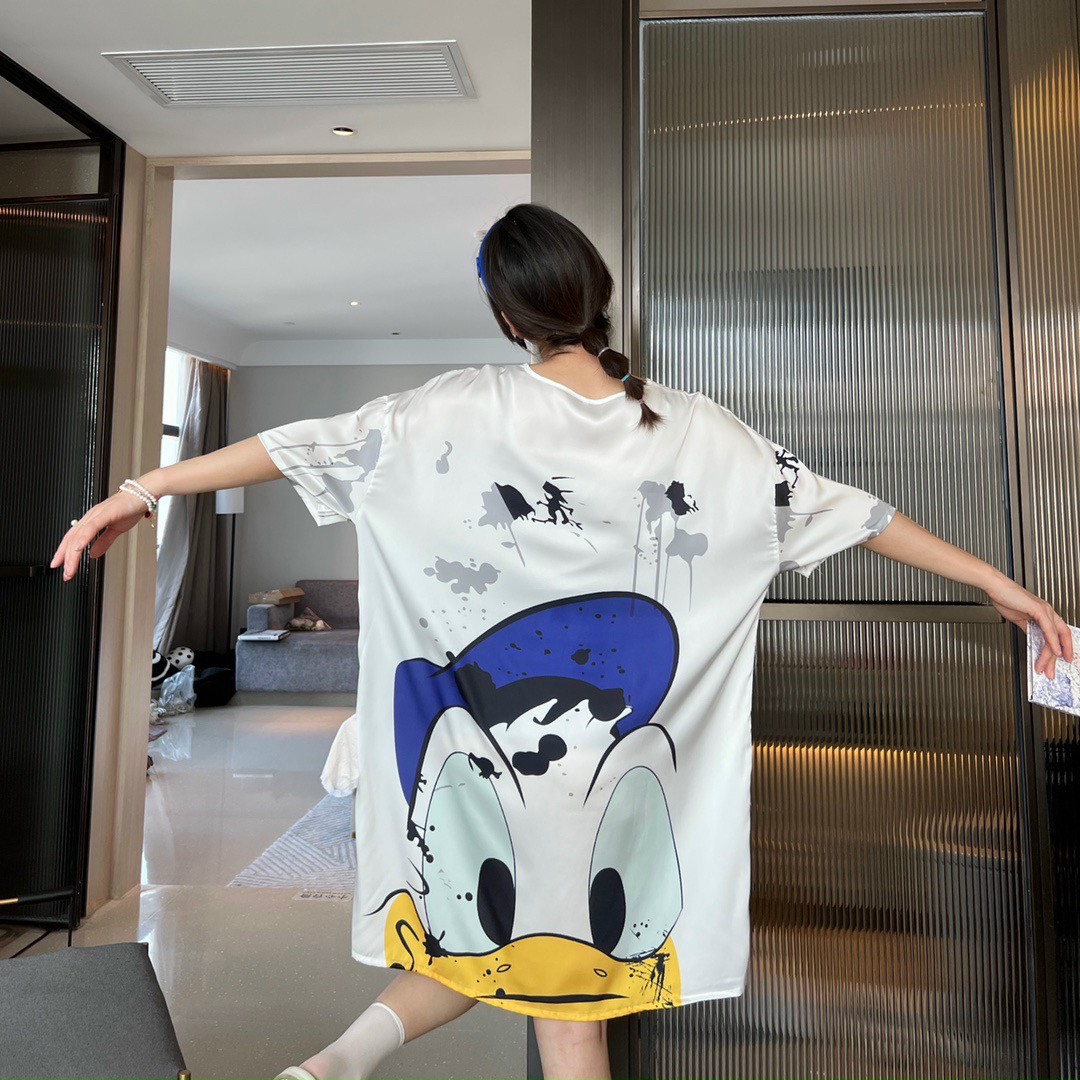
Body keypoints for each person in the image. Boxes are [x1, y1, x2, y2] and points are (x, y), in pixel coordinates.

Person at [52, 202, 1073, 1080]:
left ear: (508, 315)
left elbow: (290, 447)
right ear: (597, 295)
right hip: (603, 767)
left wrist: (143, 489)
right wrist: (996, 583)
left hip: (494, 752)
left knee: (499, 955)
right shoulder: (698, 429)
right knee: (560, 992)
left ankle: (330, 1066)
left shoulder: (447, 410)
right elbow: (855, 514)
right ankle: (333, 1065)